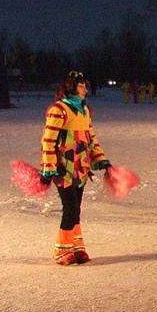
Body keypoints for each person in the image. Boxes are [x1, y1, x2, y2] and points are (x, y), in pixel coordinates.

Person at [40, 71, 112, 265]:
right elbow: (48, 140)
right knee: (70, 207)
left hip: (81, 166)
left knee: (76, 208)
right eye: (81, 86)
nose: (85, 90)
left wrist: (101, 159)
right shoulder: (59, 109)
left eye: (85, 86)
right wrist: (49, 167)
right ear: (71, 87)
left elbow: (91, 137)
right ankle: (61, 250)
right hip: (64, 167)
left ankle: (76, 247)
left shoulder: (84, 110)